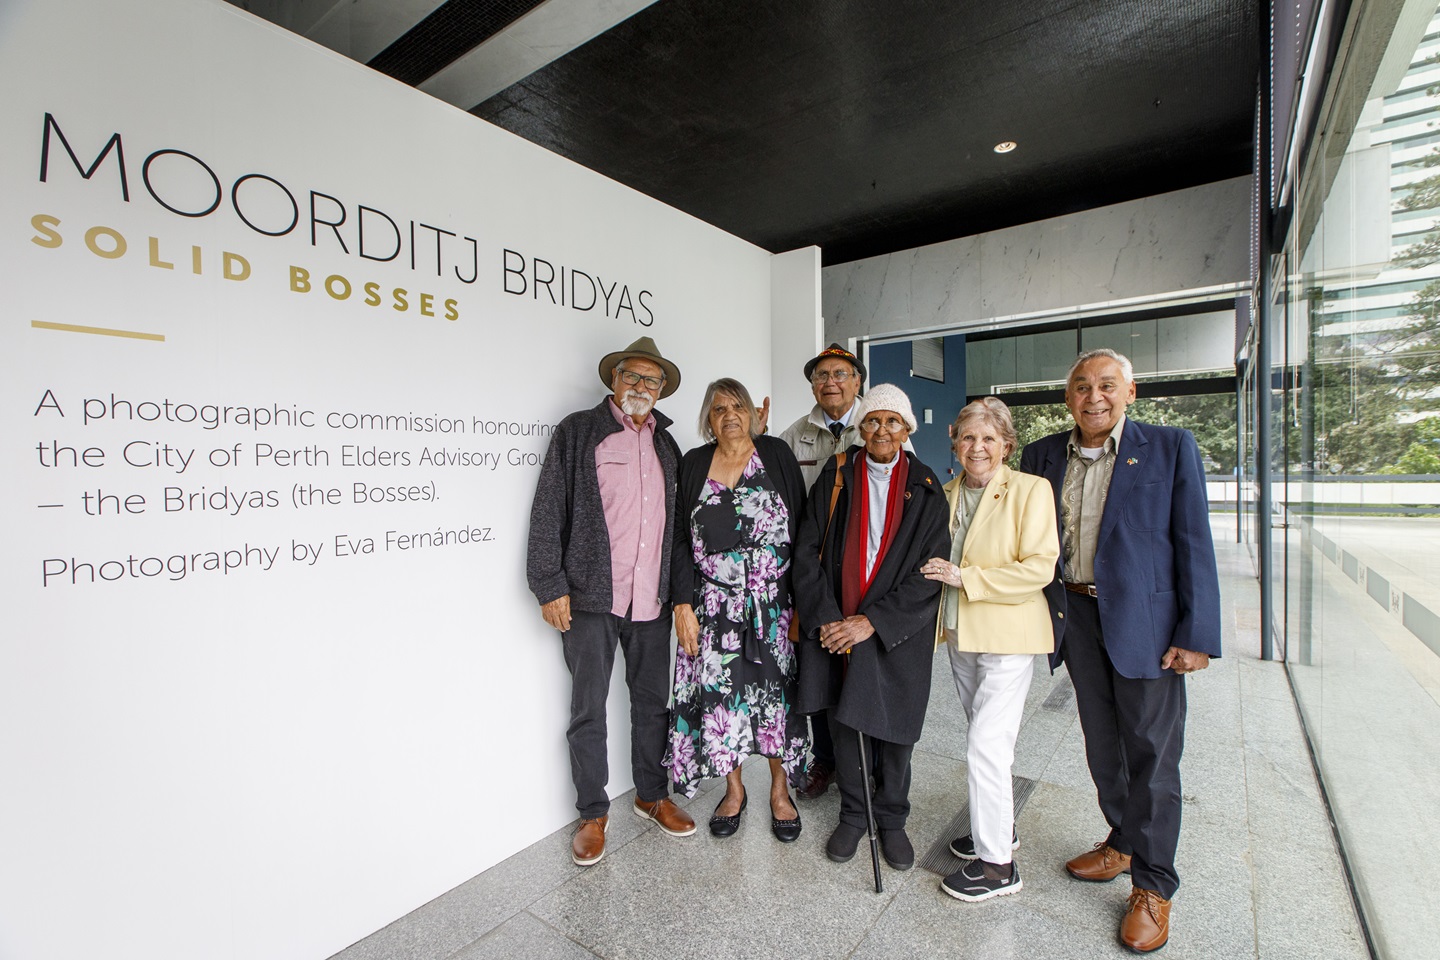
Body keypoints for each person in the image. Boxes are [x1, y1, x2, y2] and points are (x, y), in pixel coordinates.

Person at [1019, 348, 1221, 952]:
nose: (1094, 396)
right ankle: (1124, 841)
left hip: (1147, 624)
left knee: (1152, 754)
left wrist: (1196, 634)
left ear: (1130, 393)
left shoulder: (1170, 447)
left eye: (1107, 385)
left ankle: (1153, 886)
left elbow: (1193, 540)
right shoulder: (1041, 455)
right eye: (1082, 386)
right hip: (1077, 616)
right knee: (1103, 746)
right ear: (1068, 398)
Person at [526, 336, 697, 867]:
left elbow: (677, 532)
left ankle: (651, 795)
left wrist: (680, 598)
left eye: (652, 379)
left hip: (651, 600)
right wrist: (549, 584)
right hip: (591, 598)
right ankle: (592, 813)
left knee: (652, 704)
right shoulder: (579, 431)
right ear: (615, 380)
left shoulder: (669, 447)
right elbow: (548, 509)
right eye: (632, 376)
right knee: (588, 707)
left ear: (662, 389)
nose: (641, 386)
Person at [792, 383, 950, 872]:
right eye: (873, 420)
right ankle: (854, 814)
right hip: (838, 622)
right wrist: (828, 618)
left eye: (892, 421)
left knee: (897, 726)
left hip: (894, 628)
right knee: (845, 720)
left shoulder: (926, 485)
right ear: (861, 428)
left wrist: (872, 622)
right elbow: (806, 552)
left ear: (906, 429)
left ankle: (892, 818)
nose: (882, 430)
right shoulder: (837, 473)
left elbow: (931, 570)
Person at [919, 398, 1058, 902]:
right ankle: (997, 827)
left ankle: (999, 867)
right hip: (960, 633)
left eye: (988, 439)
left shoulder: (1030, 490)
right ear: (954, 442)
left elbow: (1039, 567)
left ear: (1007, 445)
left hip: (1008, 635)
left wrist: (965, 577)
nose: (977, 447)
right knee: (989, 739)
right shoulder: (945, 492)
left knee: (985, 744)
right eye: (968, 437)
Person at [665, 378, 810, 841]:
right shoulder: (694, 463)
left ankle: (780, 792)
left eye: (737, 406)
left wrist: (804, 603)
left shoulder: (776, 455)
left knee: (777, 700)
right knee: (722, 699)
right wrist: (682, 604)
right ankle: (734, 791)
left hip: (773, 608)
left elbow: (804, 530)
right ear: (708, 419)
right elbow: (680, 540)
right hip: (713, 609)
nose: (729, 415)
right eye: (719, 408)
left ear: (751, 413)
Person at [777, 342, 865, 800]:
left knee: (863, 668)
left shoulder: (878, 424)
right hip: (811, 569)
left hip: (862, 569)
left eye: (840, 374)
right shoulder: (794, 436)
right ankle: (826, 759)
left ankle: (867, 765)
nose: (831, 382)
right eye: (822, 375)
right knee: (816, 667)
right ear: (812, 385)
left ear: (857, 381)